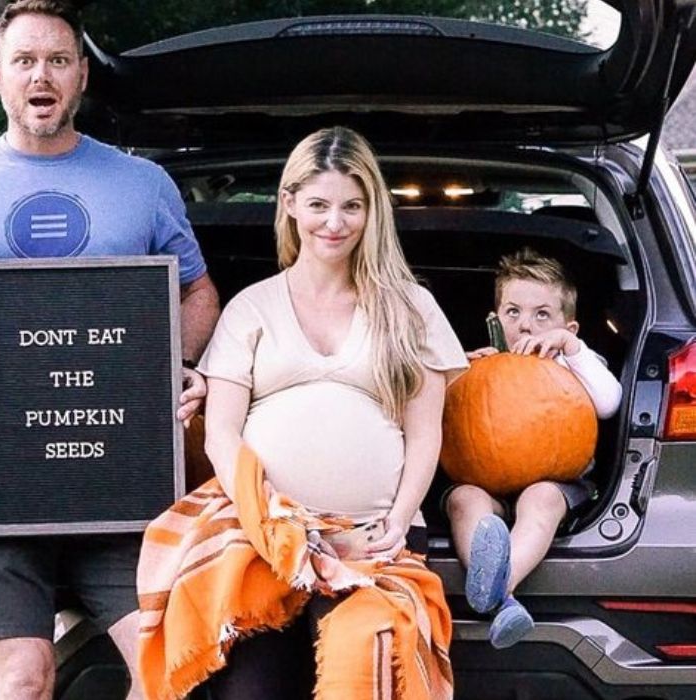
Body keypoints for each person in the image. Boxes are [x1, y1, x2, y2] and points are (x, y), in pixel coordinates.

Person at [0, 1, 219, 698]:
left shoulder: (142, 185)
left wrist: (156, 370)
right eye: (24, 61)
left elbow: (197, 294)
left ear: (81, 75)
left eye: (57, 60)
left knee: (167, 670)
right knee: (22, 678)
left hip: (119, 458)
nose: (41, 75)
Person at [136, 126, 468, 700]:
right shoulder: (252, 306)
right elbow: (220, 435)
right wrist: (288, 532)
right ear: (289, 204)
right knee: (250, 688)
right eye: (318, 204)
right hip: (259, 540)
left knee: (364, 663)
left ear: (372, 211)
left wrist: (397, 521)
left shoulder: (411, 307)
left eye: (351, 206)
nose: (334, 223)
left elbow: (424, 433)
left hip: (373, 543)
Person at [445, 248, 622, 649]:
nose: (526, 325)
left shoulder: (573, 362)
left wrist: (572, 351)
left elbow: (610, 401)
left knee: (541, 499)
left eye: (542, 315)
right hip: (484, 480)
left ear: (568, 326)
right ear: (495, 319)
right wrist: (459, 374)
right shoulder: (479, 366)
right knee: (463, 500)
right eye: (513, 312)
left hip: (556, 478)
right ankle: (501, 599)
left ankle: (498, 588)